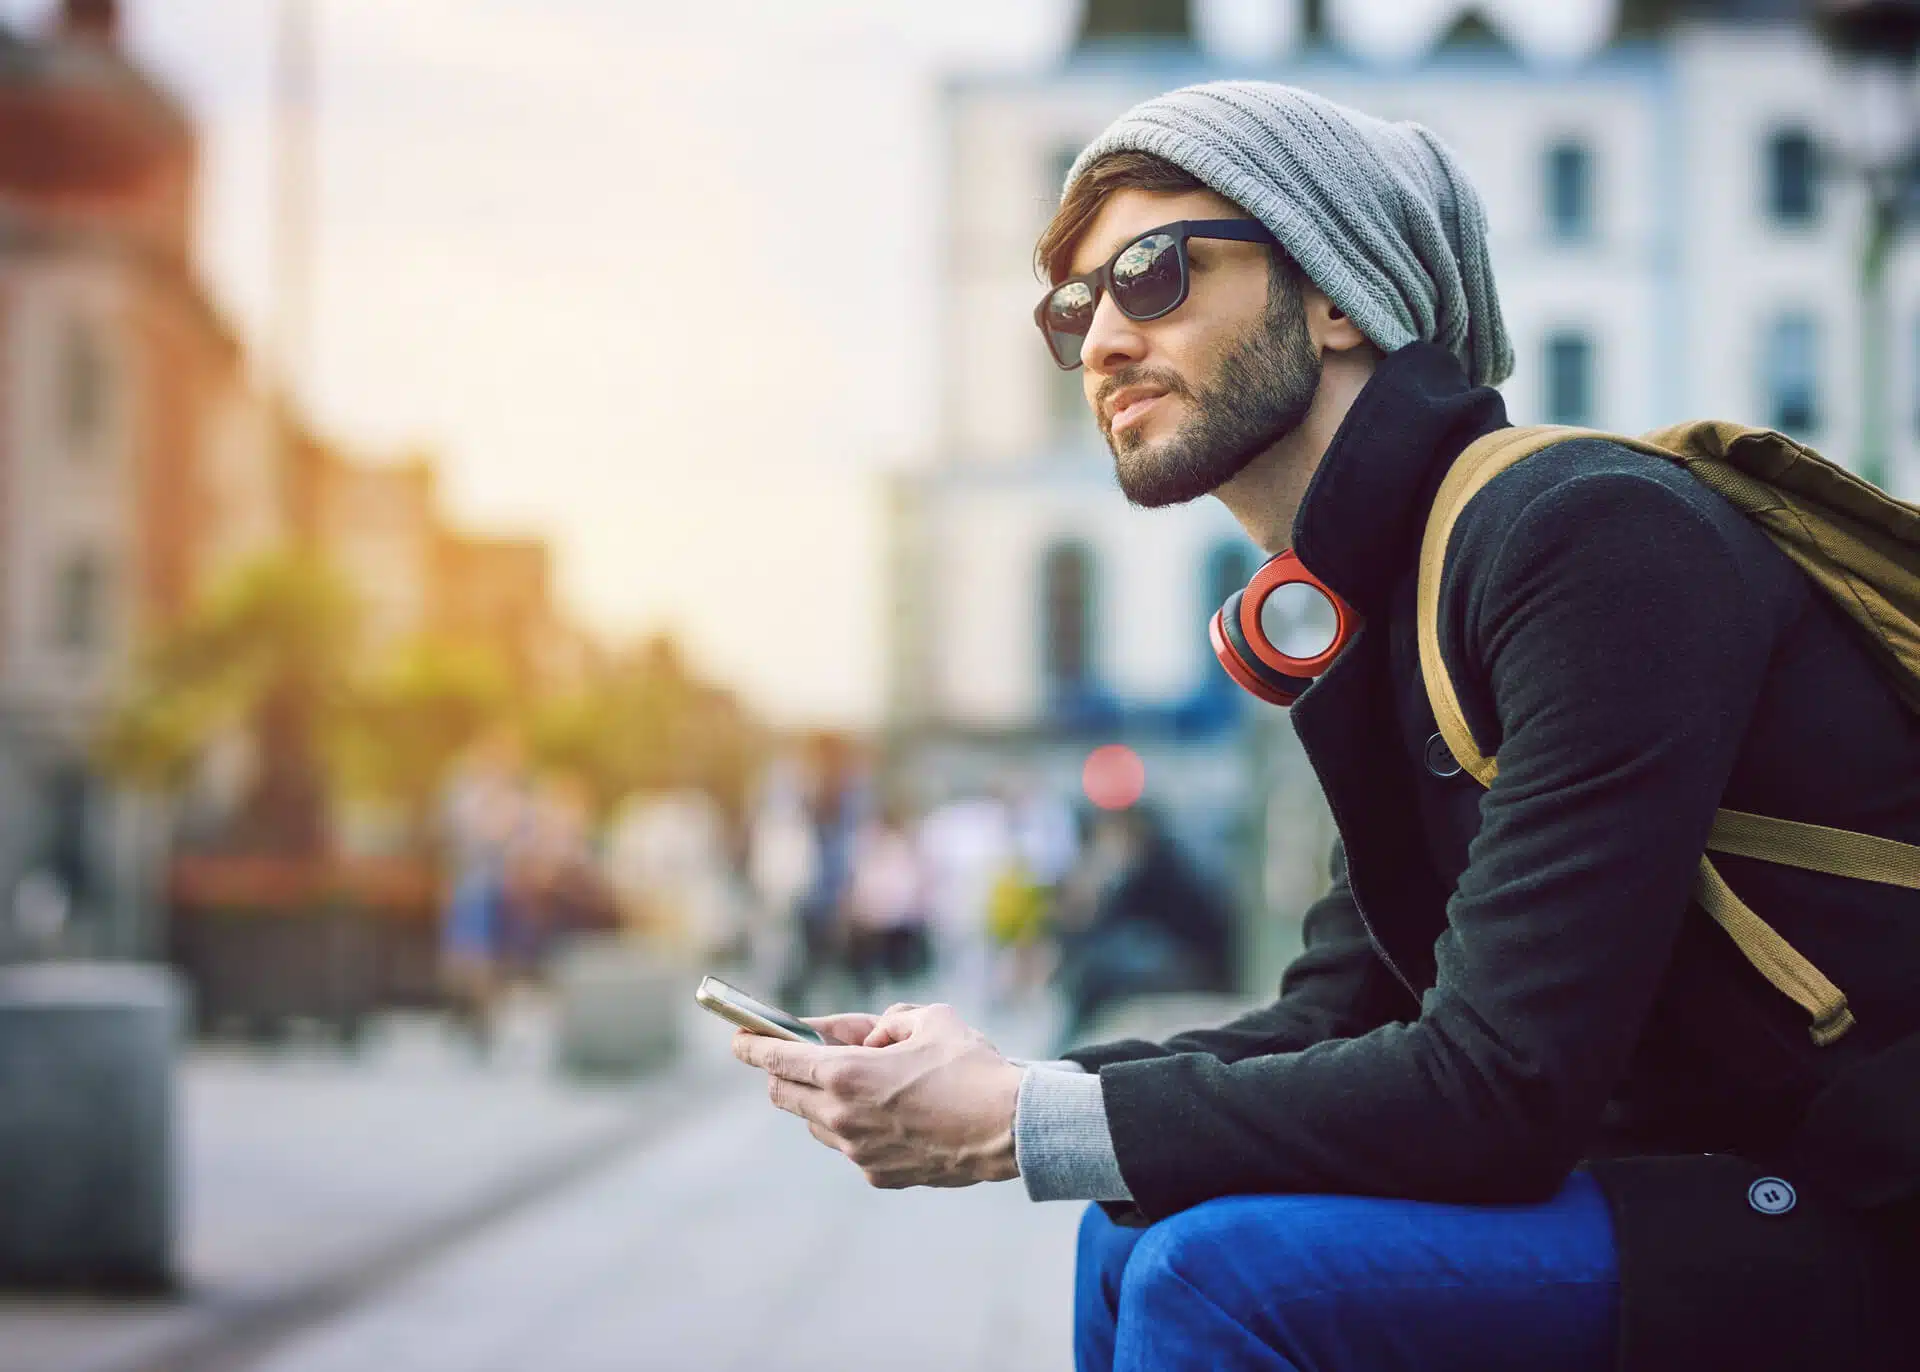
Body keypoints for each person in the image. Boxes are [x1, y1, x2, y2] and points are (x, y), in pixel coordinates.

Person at [731, 81, 1920, 1371]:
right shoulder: (1396, 599)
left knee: (1228, 1277)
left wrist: (1020, 1123)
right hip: (1697, 1175)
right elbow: (1341, 1013)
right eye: (1073, 310)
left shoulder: (1586, 537)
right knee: (1131, 1229)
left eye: (1153, 272)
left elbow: (1502, 1087)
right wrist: (1016, 1084)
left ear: (1339, 293)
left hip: (1859, 1198)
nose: (1103, 342)